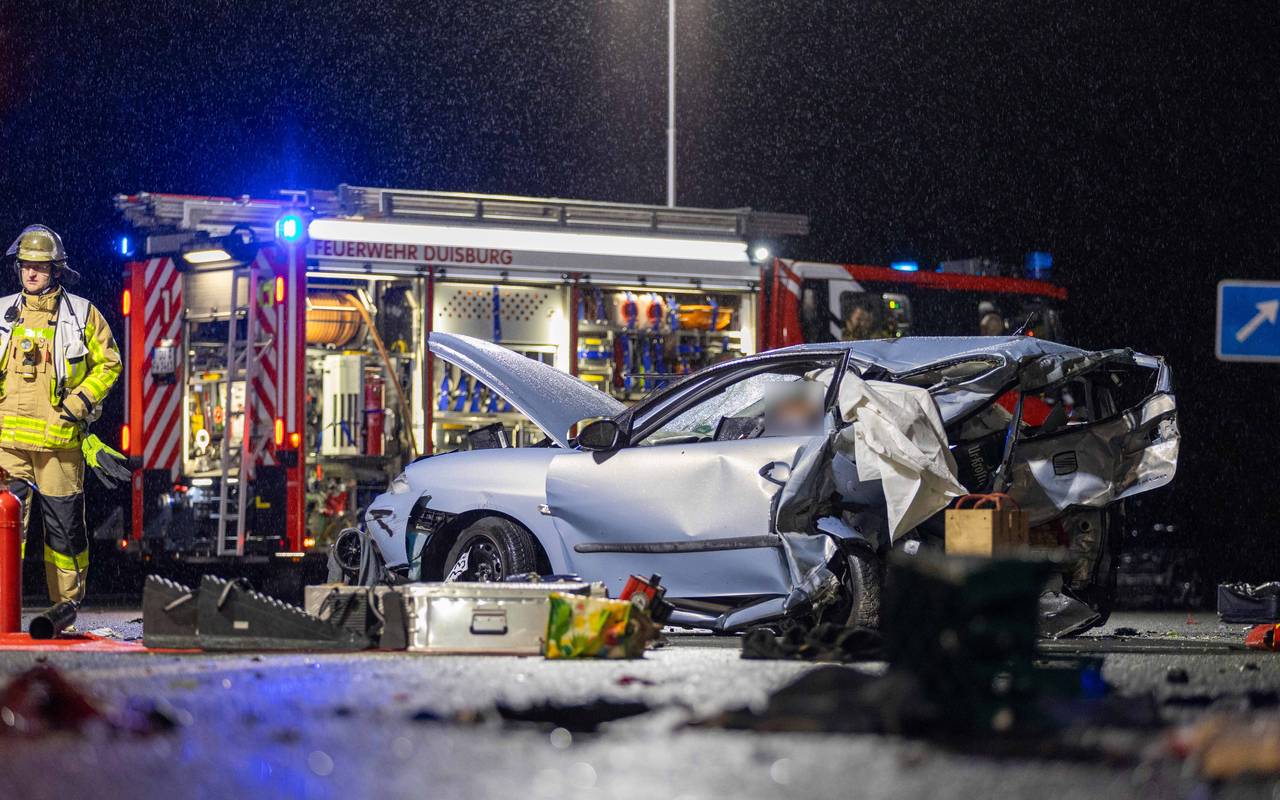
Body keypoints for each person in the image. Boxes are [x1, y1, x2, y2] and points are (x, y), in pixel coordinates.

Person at [0, 225, 125, 606]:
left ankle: (65, 608)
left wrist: (79, 403)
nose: (31, 272)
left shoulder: (82, 314)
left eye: (40, 266)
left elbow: (110, 363)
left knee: (65, 533)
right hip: (7, 446)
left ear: (56, 269)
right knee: (4, 529)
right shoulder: (3, 313)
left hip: (60, 444)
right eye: (25, 265)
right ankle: (3, 611)